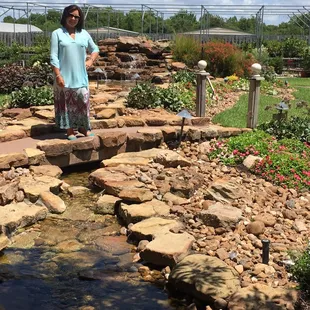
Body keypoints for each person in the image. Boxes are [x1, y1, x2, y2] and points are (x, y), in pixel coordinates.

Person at [50, 4, 99, 140]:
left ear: (80, 19)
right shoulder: (57, 33)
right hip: (64, 76)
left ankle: (83, 128)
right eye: (71, 15)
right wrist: (58, 75)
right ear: (65, 16)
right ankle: (70, 130)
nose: (73, 18)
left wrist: (90, 61)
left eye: (76, 16)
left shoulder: (83, 34)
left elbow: (95, 48)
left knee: (82, 101)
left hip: (81, 76)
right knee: (66, 104)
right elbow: (53, 56)